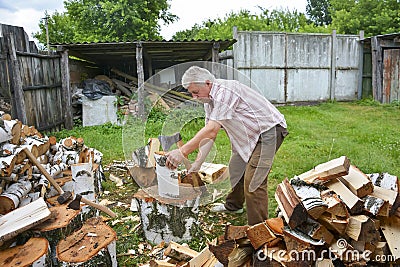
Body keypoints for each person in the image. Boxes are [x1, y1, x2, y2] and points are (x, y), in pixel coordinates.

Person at [165, 66, 288, 225]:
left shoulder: (225, 91)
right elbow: (209, 137)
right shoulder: (208, 101)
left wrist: (182, 152)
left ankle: (260, 231)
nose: (195, 97)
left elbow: (211, 130)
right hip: (247, 137)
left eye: (196, 92)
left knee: (253, 183)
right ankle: (233, 206)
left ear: (208, 83)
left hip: (268, 132)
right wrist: (197, 164)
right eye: (192, 94)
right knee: (236, 171)